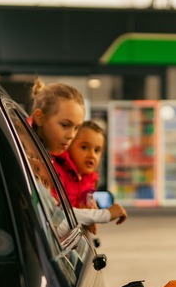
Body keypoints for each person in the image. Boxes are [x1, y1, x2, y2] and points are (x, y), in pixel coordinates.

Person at [29, 79, 127, 228]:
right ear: (39, 118)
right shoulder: (31, 158)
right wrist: (104, 215)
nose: (71, 135)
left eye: (76, 128)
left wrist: (87, 214)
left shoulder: (46, 156)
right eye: (65, 125)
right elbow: (54, 218)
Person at [67, 120, 127, 234]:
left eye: (97, 150)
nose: (92, 155)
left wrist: (91, 218)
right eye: (84, 147)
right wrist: (103, 215)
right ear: (68, 145)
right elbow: (60, 216)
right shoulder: (60, 175)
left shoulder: (88, 182)